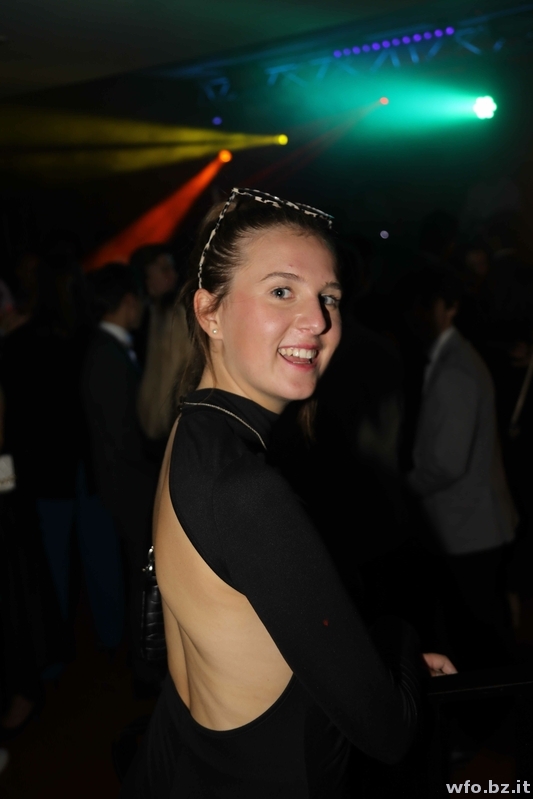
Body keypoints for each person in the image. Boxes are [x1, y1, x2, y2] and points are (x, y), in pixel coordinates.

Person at [121, 189, 455, 798]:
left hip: (192, 761)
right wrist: (399, 639)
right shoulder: (248, 489)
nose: (318, 320)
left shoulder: (193, 431)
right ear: (210, 312)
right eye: (282, 291)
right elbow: (387, 732)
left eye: (330, 297)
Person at [405, 266, 517, 669]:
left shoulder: (456, 367)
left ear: (449, 308)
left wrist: (402, 489)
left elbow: (447, 463)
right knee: (480, 633)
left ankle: (494, 705)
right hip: (469, 525)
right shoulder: (451, 359)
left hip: (468, 529)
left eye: (426, 305)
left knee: (481, 640)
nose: (417, 314)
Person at [82, 263, 158, 689]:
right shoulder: (107, 356)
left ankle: (145, 665)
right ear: (129, 301)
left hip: (125, 486)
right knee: (142, 580)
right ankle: (146, 669)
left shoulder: (108, 349)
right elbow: (124, 437)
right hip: (129, 489)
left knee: (139, 578)